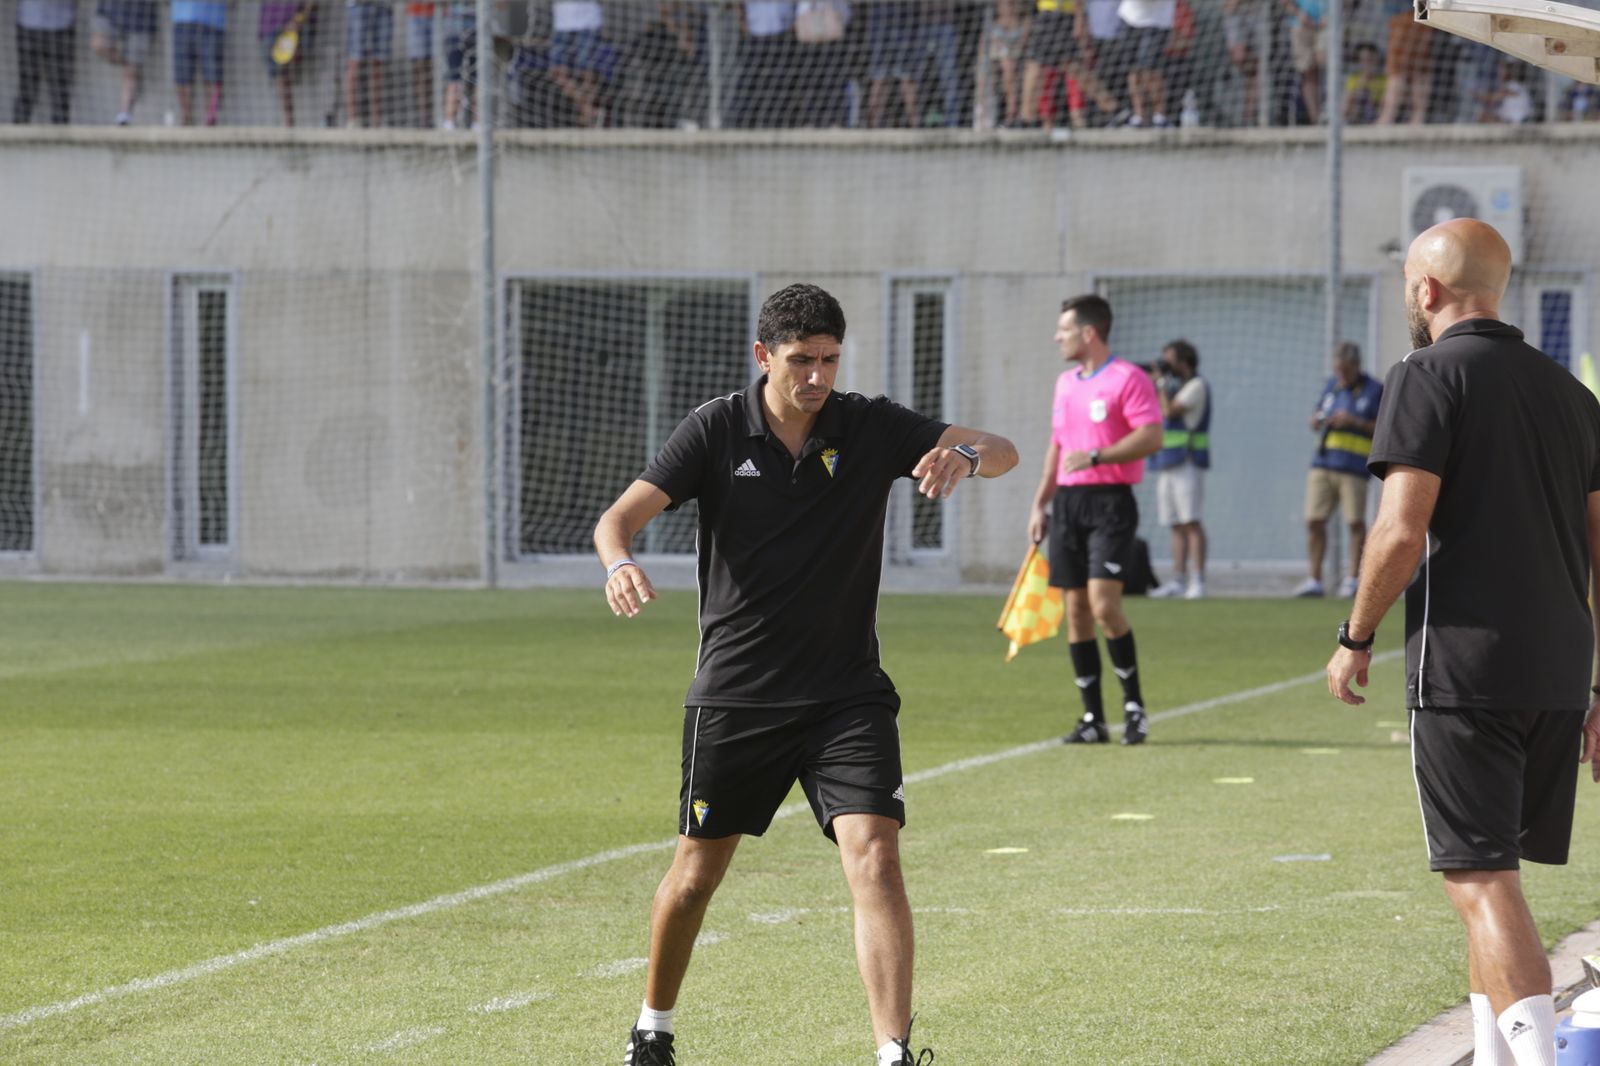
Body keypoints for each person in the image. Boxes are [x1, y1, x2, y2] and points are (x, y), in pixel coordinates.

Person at [595, 284, 1018, 1066]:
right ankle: (652, 1028)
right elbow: (615, 520)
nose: (817, 376)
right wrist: (619, 563)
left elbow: (1001, 449)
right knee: (695, 873)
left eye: (828, 359)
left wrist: (960, 453)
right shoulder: (717, 429)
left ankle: (894, 1054)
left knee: (877, 853)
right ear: (764, 356)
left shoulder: (868, 424)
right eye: (801, 361)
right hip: (737, 695)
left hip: (847, 695)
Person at [1326, 218, 1600, 1066]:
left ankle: (1538, 1062)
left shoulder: (1424, 374)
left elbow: (1401, 531)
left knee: (1483, 884)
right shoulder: (1572, 395)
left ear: (1428, 291)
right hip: (1559, 675)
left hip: (1464, 669)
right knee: (1485, 882)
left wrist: (1355, 634)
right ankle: (1493, 1053)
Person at [1027, 294, 1162, 744]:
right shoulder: (1065, 383)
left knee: (1105, 606)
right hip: (1068, 503)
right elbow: (1058, 445)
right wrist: (1040, 503)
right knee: (1077, 613)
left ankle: (1134, 708)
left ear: (1089, 332)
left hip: (1110, 502)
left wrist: (1100, 455)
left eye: (1064, 329)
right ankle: (1093, 721)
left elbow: (1152, 435)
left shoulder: (1129, 378)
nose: (1057, 337)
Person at [1296, 341, 1382, 598]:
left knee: (1355, 522)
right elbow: (1314, 418)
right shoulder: (1331, 387)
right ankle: (1314, 579)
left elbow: (1382, 426)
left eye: (1344, 371)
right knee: (1314, 520)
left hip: (1354, 467)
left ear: (1356, 366)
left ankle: (1353, 579)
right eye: (1337, 370)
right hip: (1323, 463)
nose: (1340, 376)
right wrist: (1320, 420)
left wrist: (1353, 421)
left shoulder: (1375, 389)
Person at [1146, 340, 1210, 600]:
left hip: (1187, 461)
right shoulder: (1173, 386)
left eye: (1170, 360)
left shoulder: (1196, 385)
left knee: (1190, 521)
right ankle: (1178, 579)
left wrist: (1159, 383)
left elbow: (1169, 411)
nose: (1165, 366)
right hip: (1167, 461)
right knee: (1174, 523)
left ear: (1184, 362)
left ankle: (1198, 580)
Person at [92, 1, 158, 126]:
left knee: (131, 71)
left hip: (141, 16)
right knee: (99, 45)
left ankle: (124, 116)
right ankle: (130, 66)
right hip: (110, 10)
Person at [14, 0, 77, 126]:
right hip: (29, 23)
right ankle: (17, 137)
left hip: (61, 26)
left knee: (60, 90)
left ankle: (61, 139)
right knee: (27, 87)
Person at [1117, 0, 1175, 127]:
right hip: (1129, 18)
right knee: (1133, 71)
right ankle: (1138, 117)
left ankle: (1160, 116)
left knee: (1149, 70)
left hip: (1157, 21)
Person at [550, 0, 606, 127]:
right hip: (562, 22)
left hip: (588, 21)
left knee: (586, 71)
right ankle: (588, 109)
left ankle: (588, 116)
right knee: (557, 72)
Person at [1376, 0, 1431, 125]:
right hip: (1420, 11)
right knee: (1418, 67)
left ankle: (1388, 116)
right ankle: (1417, 117)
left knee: (1398, 69)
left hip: (1407, 12)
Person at [171, 1, 226, 127]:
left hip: (213, 21)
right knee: (182, 75)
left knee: (213, 74)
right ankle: (186, 119)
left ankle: (211, 119)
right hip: (181, 19)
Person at [261, 2, 315, 128]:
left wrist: (298, 20)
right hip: (269, 26)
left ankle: (290, 124)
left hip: (295, 28)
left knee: (285, 75)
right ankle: (288, 124)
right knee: (280, 75)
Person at [344, 0, 394, 128]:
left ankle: (377, 123)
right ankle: (352, 121)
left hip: (383, 6)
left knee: (378, 65)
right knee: (355, 61)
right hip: (358, 6)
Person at [1282, 0, 1326, 124]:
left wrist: (1330, 17)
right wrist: (1299, 14)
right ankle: (1316, 119)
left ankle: (1332, 110)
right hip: (1300, 24)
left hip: (1327, 22)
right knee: (1308, 71)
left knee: (1325, 60)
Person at [1344, 41, 1386, 125]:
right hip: (1357, 116)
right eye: (1363, 60)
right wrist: (1361, 85)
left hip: (1377, 116)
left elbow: (1384, 105)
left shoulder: (1385, 80)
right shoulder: (1354, 78)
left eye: (1370, 60)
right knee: (1360, 94)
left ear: (1377, 60)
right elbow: (1345, 109)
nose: (1367, 64)